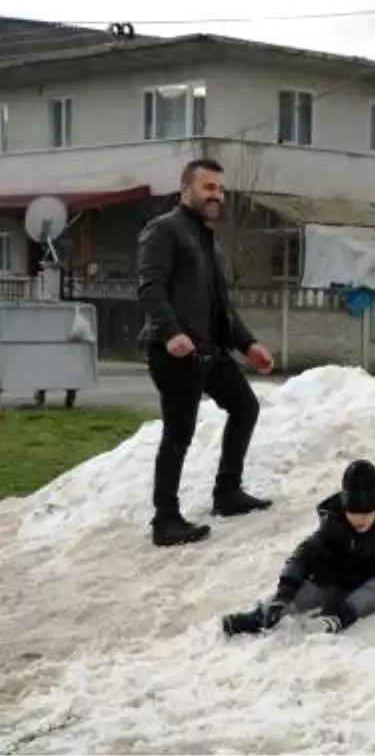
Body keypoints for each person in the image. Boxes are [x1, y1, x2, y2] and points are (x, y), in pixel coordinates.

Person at [136, 158, 275, 547]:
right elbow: (150, 288)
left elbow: (220, 304)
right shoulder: (163, 230)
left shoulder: (206, 237)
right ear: (186, 189)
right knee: (179, 432)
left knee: (245, 406)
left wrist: (248, 344)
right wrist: (172, 333)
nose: (216, 195)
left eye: (219, 189)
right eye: (208, 187)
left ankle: (227, 493)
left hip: (208, 351)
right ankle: (165, 519)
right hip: (173, 351)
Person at [221, 459, 375, 636]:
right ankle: (261, 615)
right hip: (333, 582)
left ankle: (336, 618)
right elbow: (303, 555)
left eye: (366, 514)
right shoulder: (333, 525)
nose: (360, 520)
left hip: (366, 585)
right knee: (304, 593)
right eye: (354, 513)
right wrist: (283, 593)